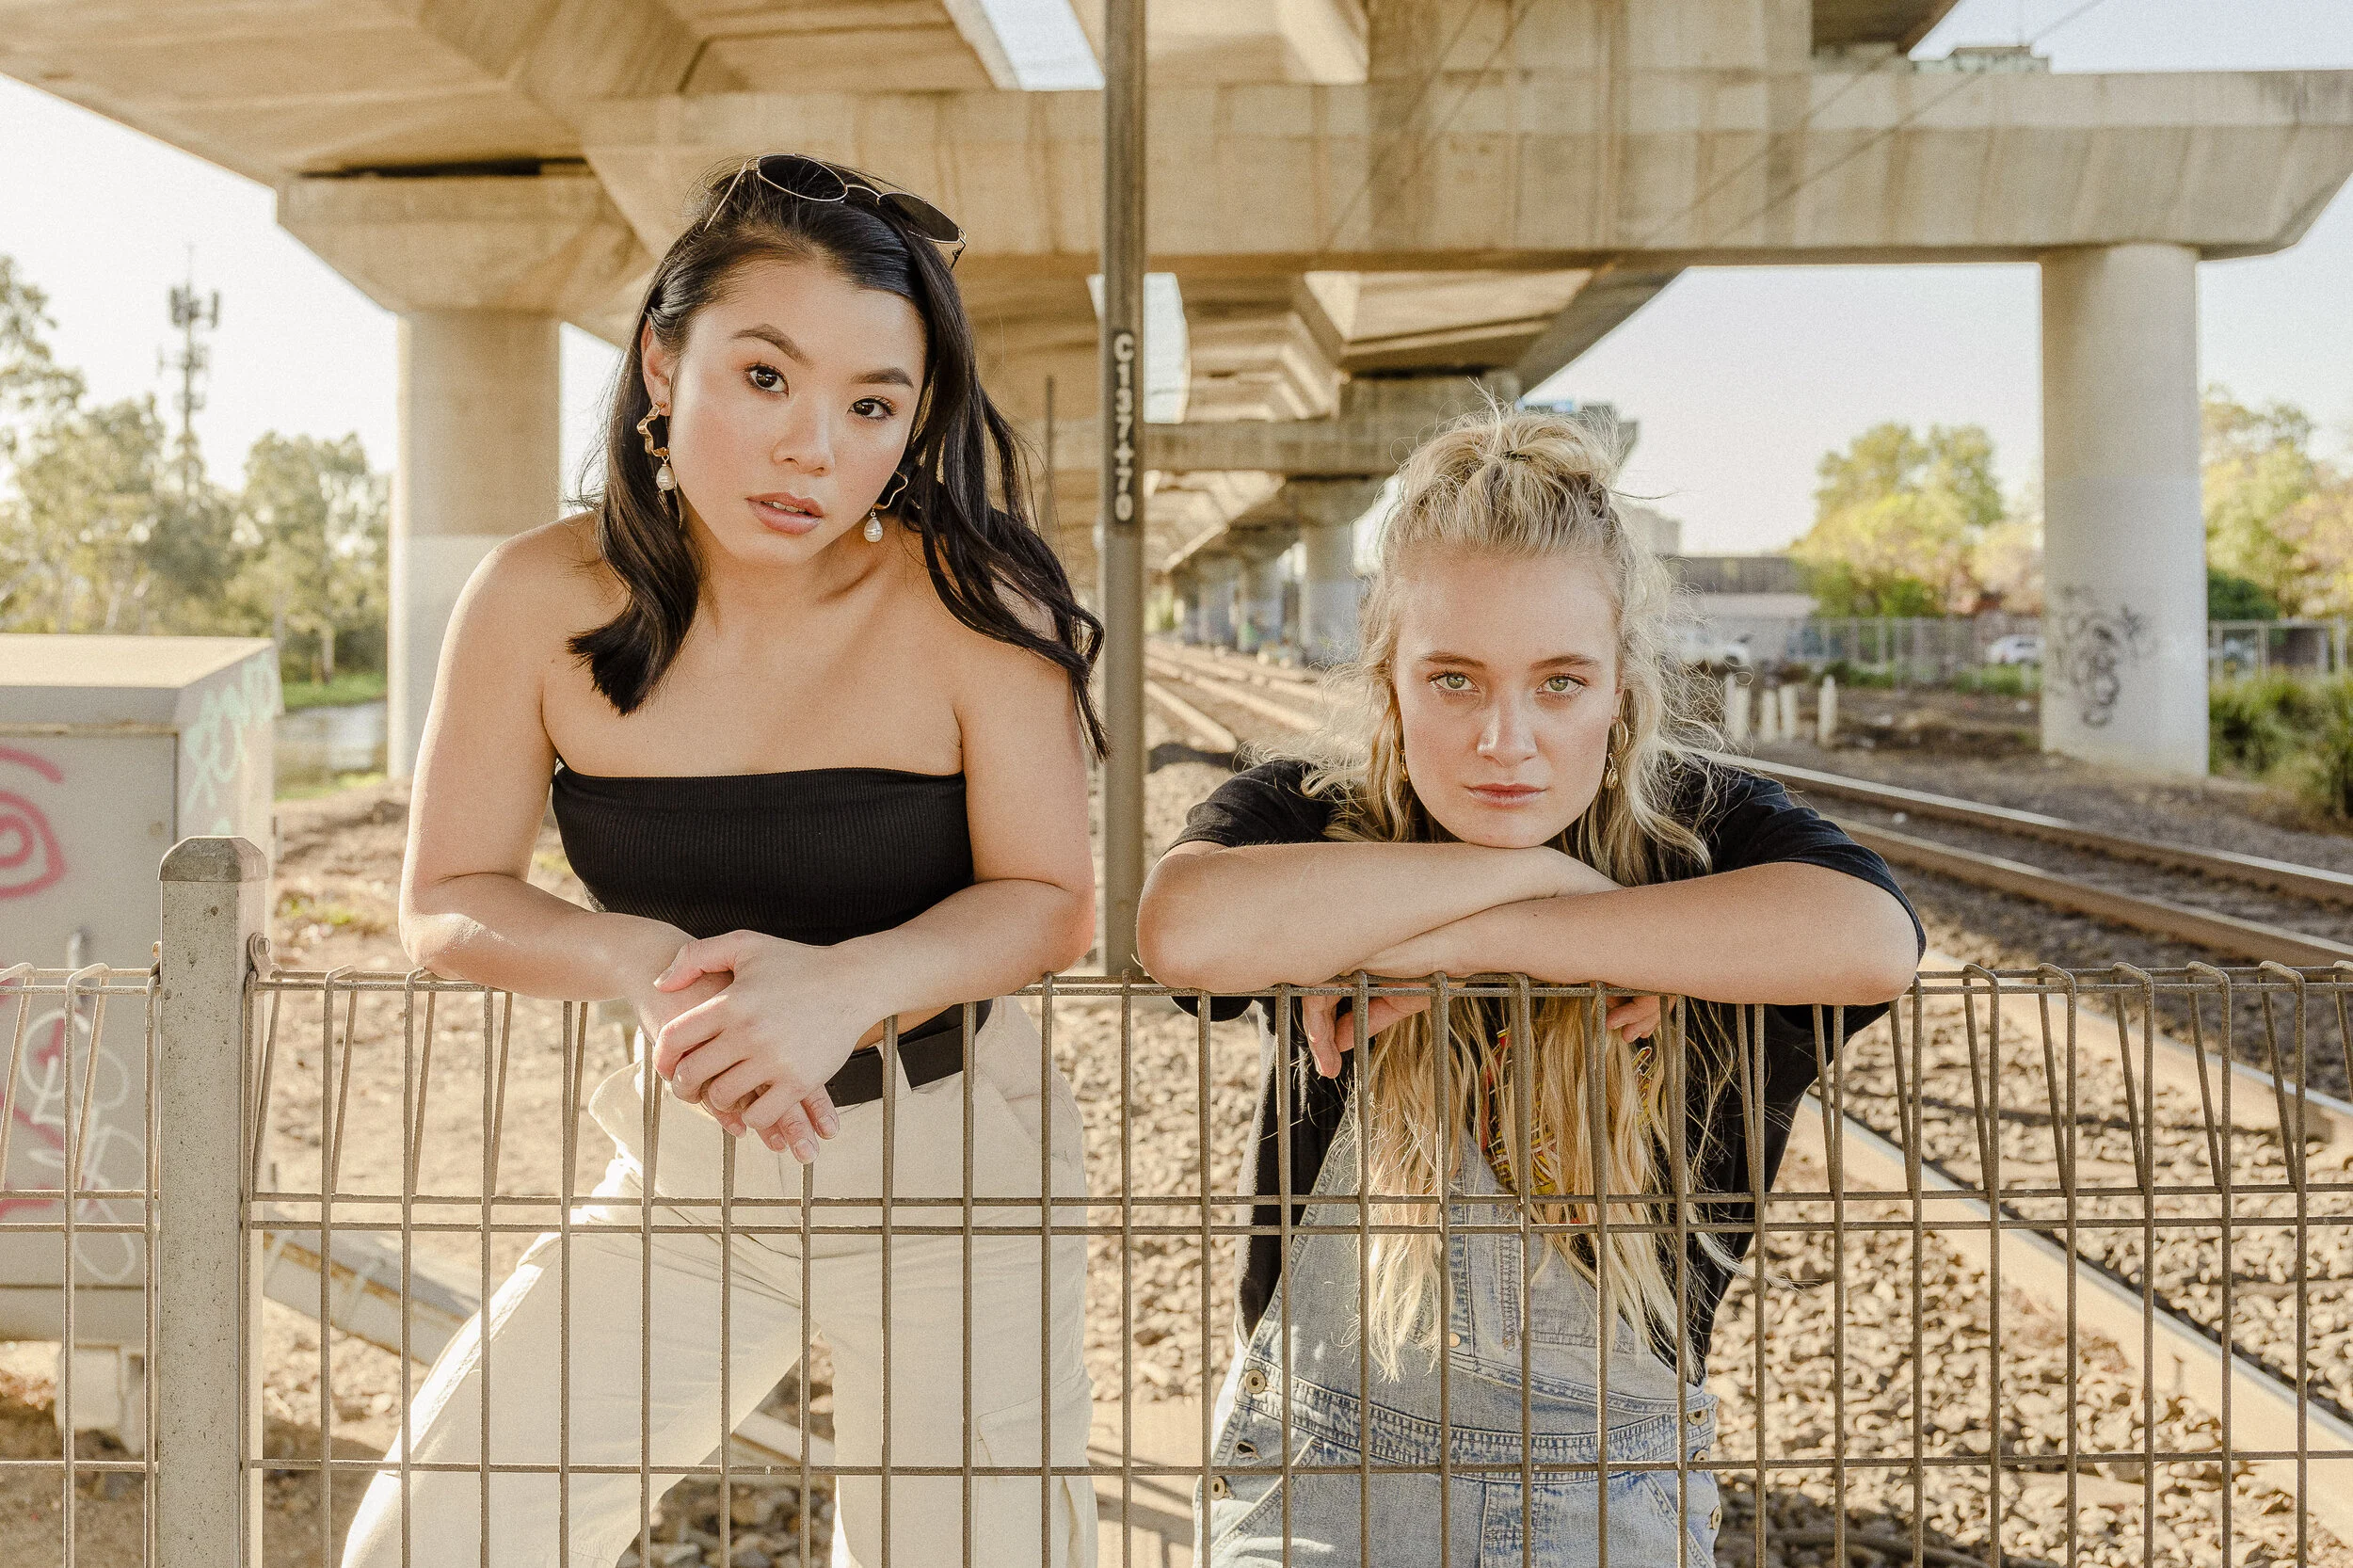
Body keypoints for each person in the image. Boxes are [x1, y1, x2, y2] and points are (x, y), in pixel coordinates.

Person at [344, 153, 1102, 1568]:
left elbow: (1052, 900)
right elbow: (445, 898)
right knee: (435, 1539)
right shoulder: (536, 598)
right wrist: (638, 959)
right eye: (765, 377)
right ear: (661, 361)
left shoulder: (974, 603)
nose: (813, 448)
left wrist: (845, 988)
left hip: (958, 1172)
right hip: (690, 1171)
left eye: (871, 405)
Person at [1136, 405, 1923, 1566]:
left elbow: (1873, 940)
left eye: (1559, 683)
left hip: (1604, 1488)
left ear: (1621, 690)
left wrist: (1485, 937)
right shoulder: (1310, 812)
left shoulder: (1701, 838)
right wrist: (1542, 876)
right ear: (1390, 681)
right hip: (1313, 1480)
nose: (1505, 740)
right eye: (1454, 679)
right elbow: (1184, 929)